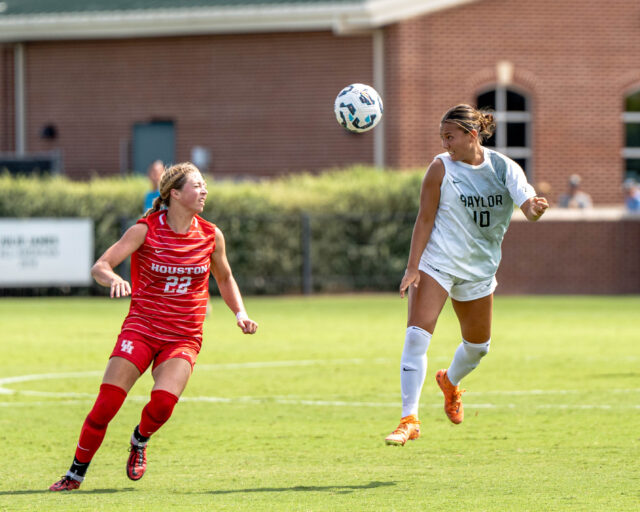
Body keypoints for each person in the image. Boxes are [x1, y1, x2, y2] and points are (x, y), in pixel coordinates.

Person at [50, 162, 258, 490]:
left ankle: (139, 440)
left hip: (184, 337)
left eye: (205, 185)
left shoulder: (210, 234)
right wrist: (114, 278)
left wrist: (240, 314)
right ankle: (75, 473)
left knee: (162, 405)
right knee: (106, 406)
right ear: (175, 193)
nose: (204, 191)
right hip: (142, 329)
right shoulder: (145, 230)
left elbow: (225, 277)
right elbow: (100, 265)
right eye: (197, 185)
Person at [384, 104, 548, 446]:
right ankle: (408, 419)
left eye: (450, 137)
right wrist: (413, 267)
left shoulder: (503, 167)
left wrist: (533, 210)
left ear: (472, 135)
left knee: (478, 348)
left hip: (479, 269)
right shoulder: (440, 168)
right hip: (438, 262)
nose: (445, 144)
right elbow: (425, 219)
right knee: (416, 336)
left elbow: (527, 205)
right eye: (442, 137)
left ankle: (450, 381)